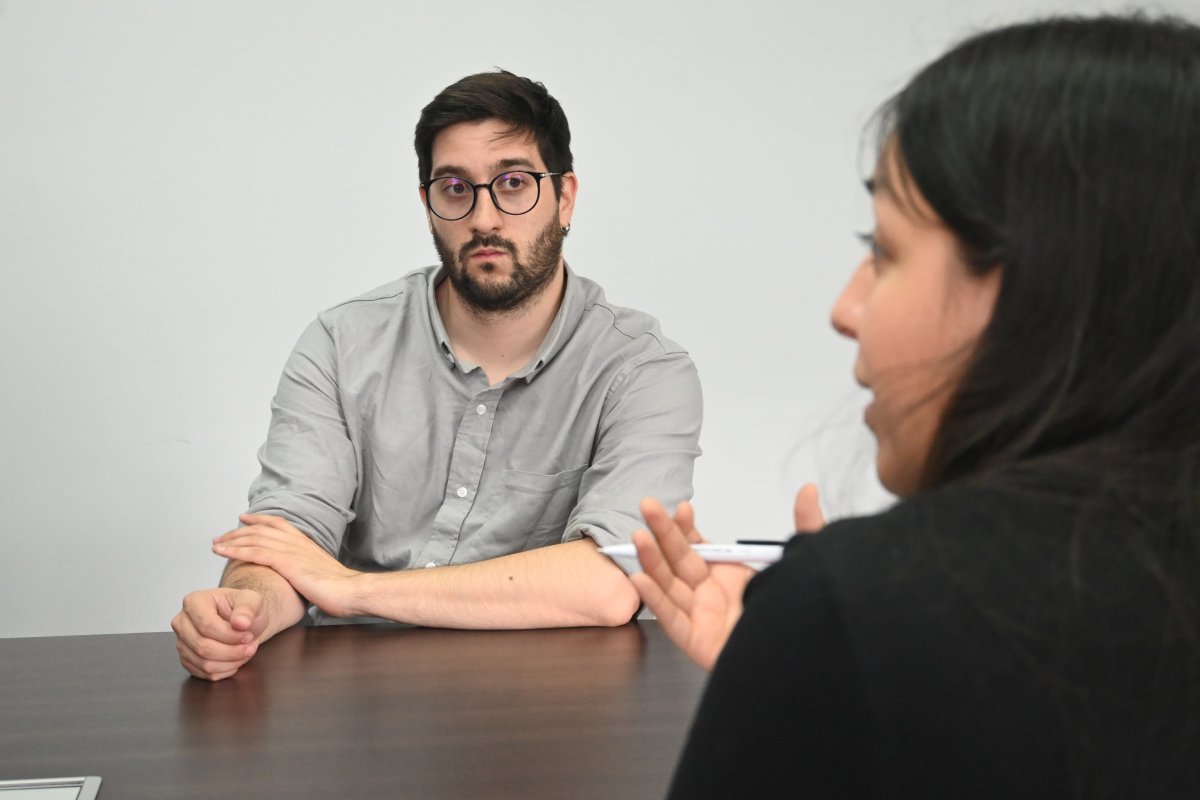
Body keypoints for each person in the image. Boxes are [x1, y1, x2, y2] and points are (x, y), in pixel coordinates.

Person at [630, 14, 1200, 797]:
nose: (845, 308)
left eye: (884, 250)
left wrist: (831, 645)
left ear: (1040, 287)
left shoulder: (858, 611)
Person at [172, 70, 703, 681]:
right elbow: (286, 539)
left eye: (513, 183)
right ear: (428, 206)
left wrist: (350, 590)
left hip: (549, 702)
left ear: (565, 197)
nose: (484, 218)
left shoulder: (643, 372)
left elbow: (608, 583)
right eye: (455, 188)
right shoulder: (343, 344)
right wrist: (244, 611)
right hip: (361, 703)